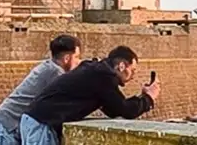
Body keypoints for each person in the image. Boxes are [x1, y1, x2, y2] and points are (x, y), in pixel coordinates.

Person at [19, 46, 159, 145]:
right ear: (121, 66)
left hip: (36, 120)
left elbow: (113, 109)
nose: (133, 76)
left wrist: (142, 98)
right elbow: (125, 110)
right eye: (132, 70)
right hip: (42, 123)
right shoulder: (103, 77)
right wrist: (149, 98)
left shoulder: (96, 71)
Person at [0, 35, 81, 145]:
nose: (78, 62)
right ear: (67, 58)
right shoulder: (55, 73)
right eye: (76, 57)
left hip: (2, 127)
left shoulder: (48, 68)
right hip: (3, 131)